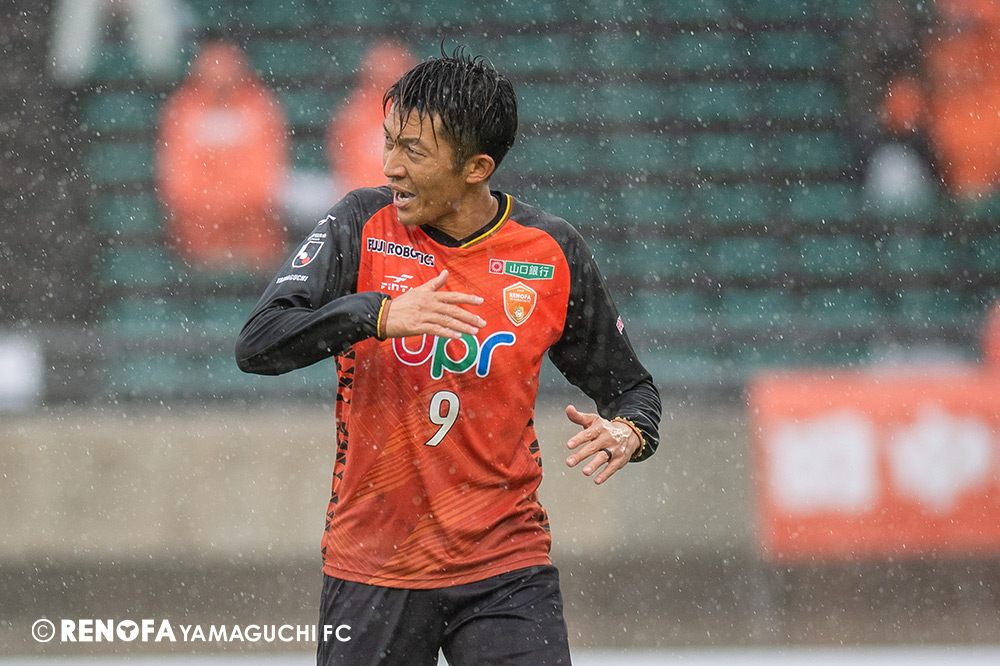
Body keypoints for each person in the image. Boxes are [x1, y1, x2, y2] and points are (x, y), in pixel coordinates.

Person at [235, 47, 660, 666]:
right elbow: (258, 342)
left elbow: (632, 390)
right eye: (389, 142)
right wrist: (378, 315)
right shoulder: (360, 223)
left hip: (506, 567)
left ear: (476, 167)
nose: (390, 166)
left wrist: (630, 432)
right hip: (374, 565)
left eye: (414, 151)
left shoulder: (550, 252)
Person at [156, 41, 289, 272]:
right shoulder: (183, 110)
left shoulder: (258, 106)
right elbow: (179, 183)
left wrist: (231, 207)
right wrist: (215, 209)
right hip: (198, 234)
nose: (220, 86)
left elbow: (266, 179)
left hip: (254, 231)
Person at [326, 40, 417, 199]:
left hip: (401, 199)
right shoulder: (354, 113)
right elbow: (341, 161)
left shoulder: (418, 114)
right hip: (367, 200)